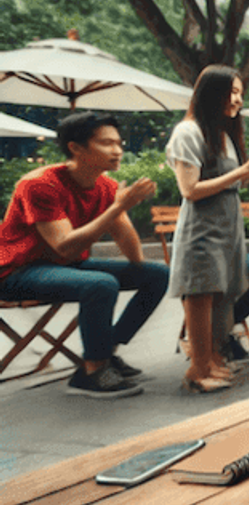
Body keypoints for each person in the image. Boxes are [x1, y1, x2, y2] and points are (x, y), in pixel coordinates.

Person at [0, 111, 169, 398]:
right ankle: (92, 372)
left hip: (67, 266)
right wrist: (117, 208)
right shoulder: (40, 184)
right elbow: (64, 245)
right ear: (75, 148)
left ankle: (105, 352)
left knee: (157, 274)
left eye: (119, 143)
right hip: (16, 271)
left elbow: (132, 253)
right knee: (100, 283)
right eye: (106, 143)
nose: (117, 150)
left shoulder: (106, 186)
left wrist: (123, 212)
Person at [165, 65, 249, 393]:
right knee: (201, 294)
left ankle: (211, 358)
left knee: (221, 294)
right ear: (210, 92)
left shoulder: (224, 134)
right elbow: (190, 189)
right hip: (202, 229)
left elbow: (232, 182)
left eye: (241, 93)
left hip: (226, 227)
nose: (238, 100)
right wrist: (244, 170)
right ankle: (197, 369)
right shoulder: (188, 132)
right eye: (232, 92)